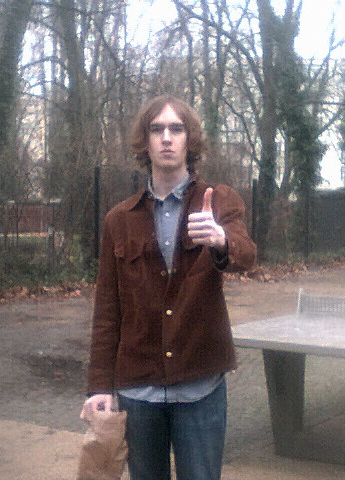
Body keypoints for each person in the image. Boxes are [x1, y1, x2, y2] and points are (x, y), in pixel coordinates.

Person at [81, 95, 256, 480]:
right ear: (144, 141)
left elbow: (247, 255)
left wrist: (221, 240)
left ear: (189, 139)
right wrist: (99, 386)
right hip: (138, 388)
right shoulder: (119, 219)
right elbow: (107, 308)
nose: (166, 137)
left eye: (176, 129)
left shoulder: (218, 200)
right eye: (156, 129)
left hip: (199, 383)